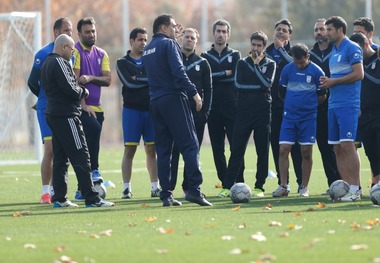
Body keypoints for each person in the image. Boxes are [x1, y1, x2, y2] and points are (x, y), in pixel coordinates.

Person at [142, 14, 212, 206]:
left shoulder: (148, 49)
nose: (176, 30)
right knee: (190, 144)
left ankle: (166, 195)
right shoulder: (169, 45)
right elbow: (178, 72)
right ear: (164, 28)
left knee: (163, 150)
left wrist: (172, 40)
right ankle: (195, 190)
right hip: (173, 98)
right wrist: (195, 93)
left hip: (155, 101)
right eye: (173, 26)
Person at [40, 34, 114, 208]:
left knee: (61, 158)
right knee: (81, 154)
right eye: (72, 49)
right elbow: (72, 90)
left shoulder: (46, 64)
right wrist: (84, 92)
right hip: (67, 116)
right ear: (63, 47)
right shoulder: (59, 62)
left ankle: (59, 198)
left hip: (53, 114)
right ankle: (92, 198)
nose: (73, 53)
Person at [218, 31, 275, 198]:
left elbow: (267, 84)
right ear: (250, 45)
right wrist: (259, 86)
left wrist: (257, 67)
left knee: (262, 150)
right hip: (243, 113)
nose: (256, 48)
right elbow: (238, 86)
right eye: (253, 45)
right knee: (236, 150)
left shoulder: (270, 64)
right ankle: (227, 186)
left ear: (264, 47)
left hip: (263, 113)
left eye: (259, 45)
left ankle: (259, 187)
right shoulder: (242, 63)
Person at [27, 17, 73, 204]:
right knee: (51, 149)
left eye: (71, 30)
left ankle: (57, 191)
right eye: (66, 30)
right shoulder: (43, 54)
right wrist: (44, 99)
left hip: (63, 107)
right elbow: (32, 81)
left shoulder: (71, 53)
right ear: (55, 32)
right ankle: (46, 191)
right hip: (47, 107)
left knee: (63, 150)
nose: (70, 33)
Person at [272, 43, 326, 197]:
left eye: (301, 62)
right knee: (283, 150)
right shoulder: (288, 70)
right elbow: (281, 93)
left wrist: (308, 106)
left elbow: (322, 95)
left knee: (306, 152)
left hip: (308, 118)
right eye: (296, 62)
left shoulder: (317, 71)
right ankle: (283, 186)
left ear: (307, 57)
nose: (299, 65)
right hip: (289, 117)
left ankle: (304, 186)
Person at [320, 16, 364, 201]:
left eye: (329, 29)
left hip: (348, 104)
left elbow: (359, 74)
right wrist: (328, 83)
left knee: (348, 145)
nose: (326, 33)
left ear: (340, 30)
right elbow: (336, 78)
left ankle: (356, 189)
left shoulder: (352, 47)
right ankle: (345, 188)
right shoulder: (334, 51)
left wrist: (334, 81)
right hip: (333, 105)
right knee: (337, 148)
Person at [116, 28, 160, 199]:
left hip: (150, 111)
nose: (143, 43)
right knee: (129, 150)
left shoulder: (151, 60)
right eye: (140, 40)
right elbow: (129, 83)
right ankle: (126, 188)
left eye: (145, 40)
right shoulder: (122, 62)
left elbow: (155, 79)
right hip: (131, 112)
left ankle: (155, 187)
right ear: (131, 41)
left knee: (151, 150)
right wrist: (146, 80)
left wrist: (138, 78)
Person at [201, 19, 243, 191]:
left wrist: (216, 75)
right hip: (213, 107)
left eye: (224, 31)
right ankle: (226, 183)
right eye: (218, 31)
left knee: (236, 145)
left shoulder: (235, 55)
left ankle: (239, 181)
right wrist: (224, 73)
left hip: (232, 106)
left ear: (228, 35)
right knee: (217, 148)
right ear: (213, 33)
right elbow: (205, 79)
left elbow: (235, 77)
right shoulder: (205, 57)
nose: (221, 34)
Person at [170, 28, 212, 195]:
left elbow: (209, 89)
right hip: (175, 113)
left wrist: (206, 112)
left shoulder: (203, 63)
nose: (189, 39)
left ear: (196, 42)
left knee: (192, 152)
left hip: (196, 116)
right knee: (174, 152)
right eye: (186, 37)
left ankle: (188, 188)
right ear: (181, 40)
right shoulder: (173, 60)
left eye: (192, 38)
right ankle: (169, 187)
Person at [73, 17, 111, 200]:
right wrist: (83, 105)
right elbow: (75, 80)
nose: (91, 34)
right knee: (86, 144)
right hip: (82, 108)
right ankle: (94, 170)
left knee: (89, 146)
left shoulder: (102, 54)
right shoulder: (75, 51)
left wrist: (90, 77)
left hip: (97, 108)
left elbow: (108, 80)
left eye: (93, 31)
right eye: (87, 32)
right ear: (79, 34)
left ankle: (81, 190)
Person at [264, 19, 303, 195]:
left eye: (284, 30)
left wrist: (281, 48)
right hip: (272, 107)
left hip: (293, 106)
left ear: (290, 35)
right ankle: (283, 184)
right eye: (278, 29)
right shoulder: (266, 52)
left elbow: (295, 66)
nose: (280, 32)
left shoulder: (296, 52)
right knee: (277, 146)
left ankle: (302, 183)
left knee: (295, 146)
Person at [309, 18, 341, 192]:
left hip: (336, 105)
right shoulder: (310, 55)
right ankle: (333, 185)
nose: (320, 32)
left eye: (322, 29)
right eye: (316, 29)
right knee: (324, 147)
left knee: (340, 147)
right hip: (318, 109)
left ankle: (347, 182)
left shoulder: (337, 51)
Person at [349, 32, 380, 187]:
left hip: (378, 114)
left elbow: (377, 81)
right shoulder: (358, 64)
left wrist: (361, 72)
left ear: (366, 44)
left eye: (358, 50)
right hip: (364, 116)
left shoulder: (377, 58)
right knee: (372, 154)